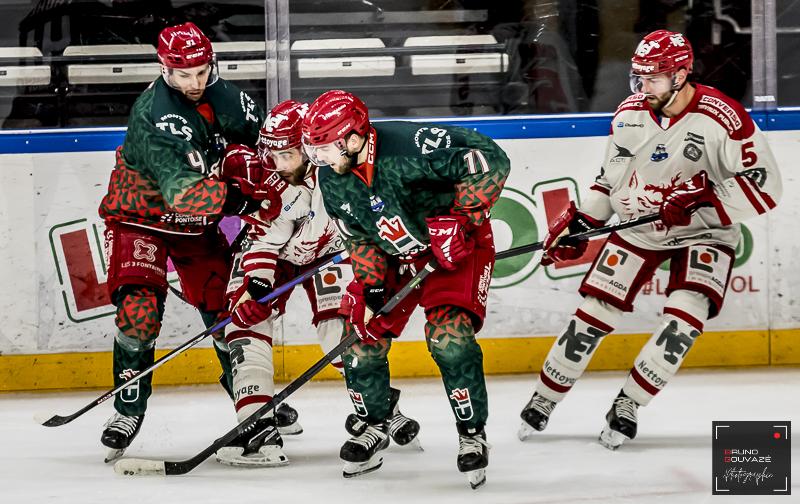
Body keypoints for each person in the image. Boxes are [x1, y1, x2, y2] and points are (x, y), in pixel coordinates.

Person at [518, 30, 782, 450]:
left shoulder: (723, 117)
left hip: (706, 232)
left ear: (681, 74)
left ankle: (629, 403)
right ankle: (545, 398)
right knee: (592, 314)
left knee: (684, 318)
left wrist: (705, 200)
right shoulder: (629, 115)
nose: (642, 88)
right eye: (638, 77)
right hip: (640, 225)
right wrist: (582, 222)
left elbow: (766, 187)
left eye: (653, 78)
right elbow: (609, 182)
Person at [302, 90, 511, 489]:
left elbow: (491, 161)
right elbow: (360, 238)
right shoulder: (333, 178)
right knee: (360, 339)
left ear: (353, 136)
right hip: (395, 255)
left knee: (449, 338)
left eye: (326, 148)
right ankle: (375, 423)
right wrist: (373, 288)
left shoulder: (409, 146)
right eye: (315, 151)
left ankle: (471, 433)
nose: (321, 159)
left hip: (455, 250)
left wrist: (462, 218)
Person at [212, 100, 420, 467]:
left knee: (343, 327)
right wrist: (256, 281)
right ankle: (256, 423)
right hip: (274, 253)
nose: (276, 165)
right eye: (271, 155)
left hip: (329, 252)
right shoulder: (276, 183)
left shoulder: (341, 169)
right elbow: (264, 239)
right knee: (246, 322)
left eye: (287, 154)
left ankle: (375, 405)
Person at [97, 22, 269, 462]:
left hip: (195, 226)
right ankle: (127, 410)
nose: (193, 82)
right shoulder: (152, 113)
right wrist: (239, 197)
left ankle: (249, 400)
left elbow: (267, 146)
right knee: (139, 311)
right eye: (182, 74)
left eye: (200, 70)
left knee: (226, 310)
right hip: (142, 218)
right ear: (163, 68)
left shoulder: (228, 96)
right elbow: (183, 192)